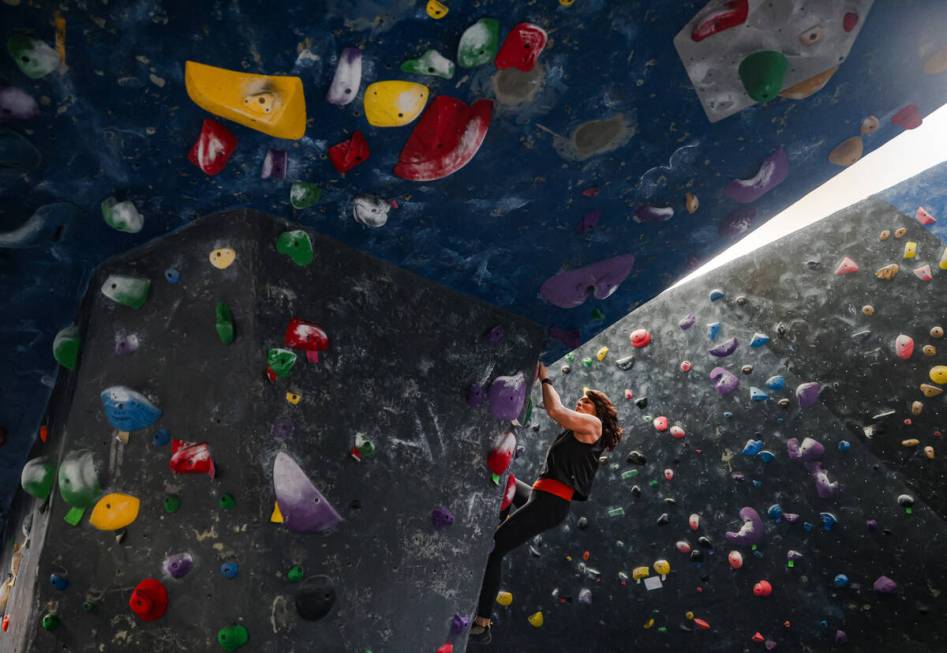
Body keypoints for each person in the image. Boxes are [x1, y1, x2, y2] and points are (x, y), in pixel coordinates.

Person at [469, 361, 624, 645]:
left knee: (494, 550)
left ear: (598, 411)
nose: (582, 401)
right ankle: (501, 520)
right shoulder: (576, 429)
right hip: (542, 497)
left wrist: (546, 379)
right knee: (508, 482)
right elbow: (561, 411)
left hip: (550, 503)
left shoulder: (594, 425)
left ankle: (483, 623)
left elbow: (555, 410)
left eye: (587, 401)